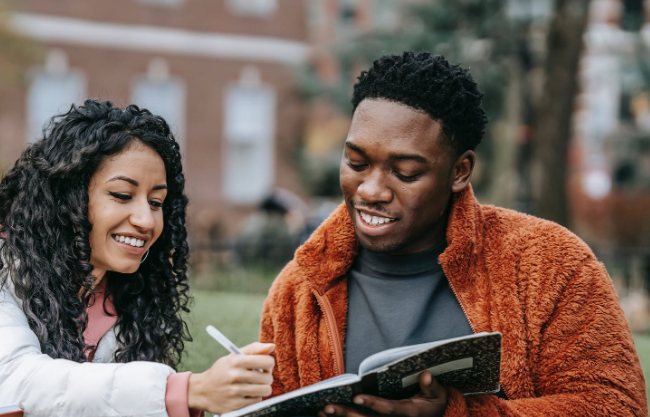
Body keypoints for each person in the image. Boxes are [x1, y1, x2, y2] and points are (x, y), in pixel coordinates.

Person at [259, 52, 647, 416]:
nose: (371, 190)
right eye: (356, 162)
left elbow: (616, 405)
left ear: (460, 172)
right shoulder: (299, 290)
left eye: (405, 172)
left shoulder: (550, 264)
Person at [0, 100, 275, 417]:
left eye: (156, 202)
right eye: (122, 196)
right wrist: (186, 390)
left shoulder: (125, 297)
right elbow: (10, 386)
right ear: (68, 198)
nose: (145, 219)